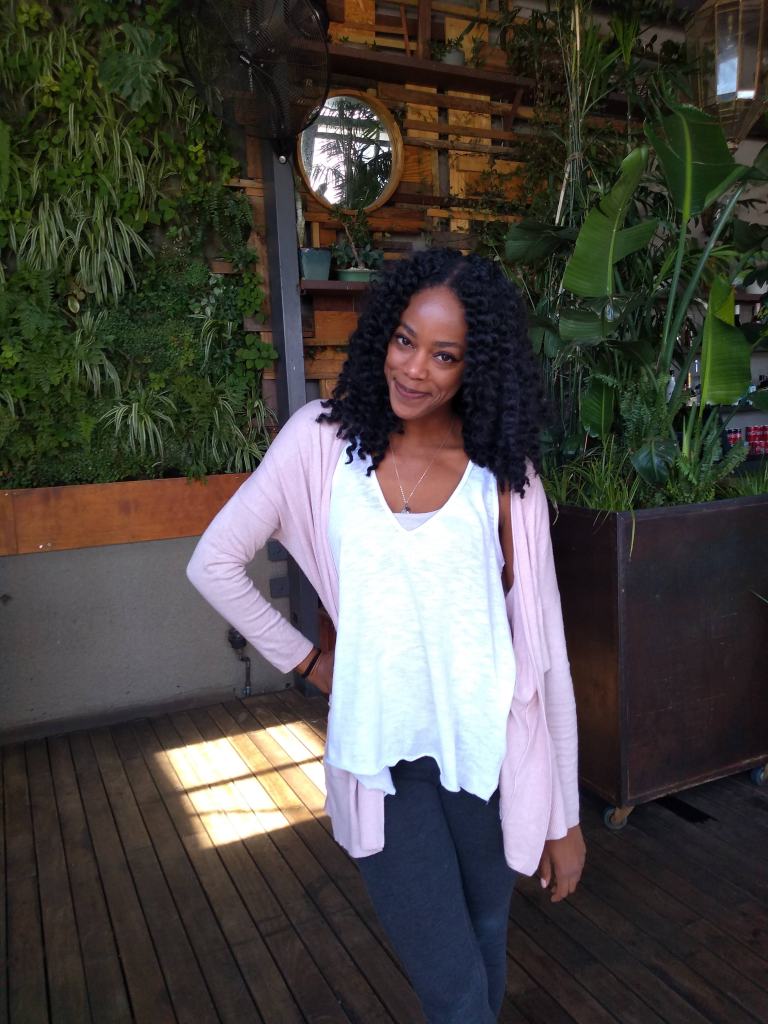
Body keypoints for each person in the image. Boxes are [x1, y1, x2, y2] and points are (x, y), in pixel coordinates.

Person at [187, 248, 586, 1024]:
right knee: (454, 990)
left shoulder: (505, 478)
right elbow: (215, 562)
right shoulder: (321, 441)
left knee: (486, 937)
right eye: (405, 340)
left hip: (485, 755)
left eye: (444, 355)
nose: (414, 368)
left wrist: (564, 818)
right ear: (383, 336)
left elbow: (547, 659)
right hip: (380, 759)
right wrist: (310, 661)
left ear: (476, 366)